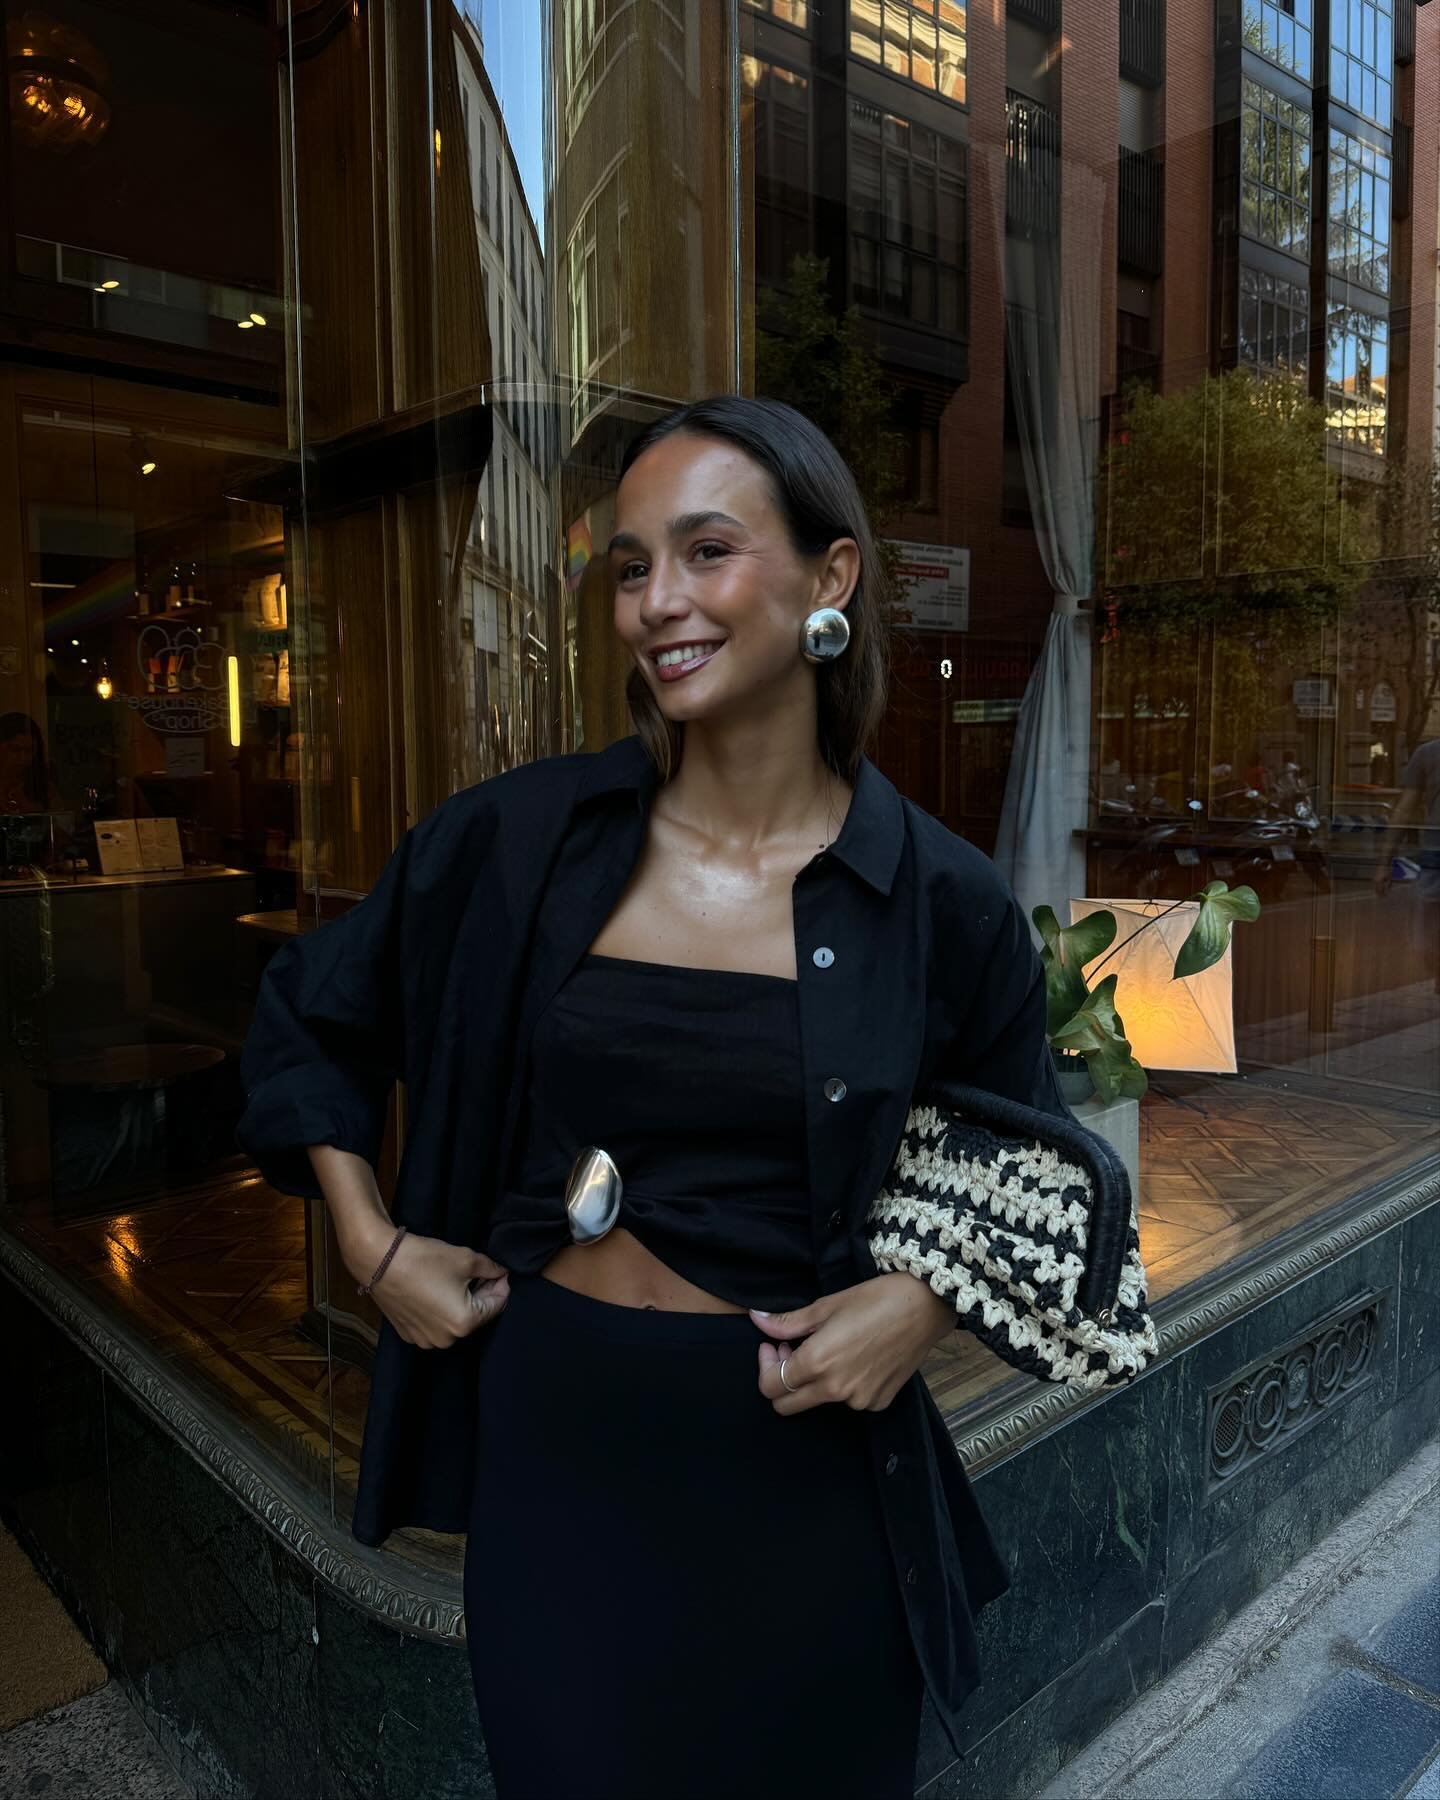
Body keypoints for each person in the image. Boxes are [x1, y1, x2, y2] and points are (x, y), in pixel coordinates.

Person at [235, 396, 1069, 1799]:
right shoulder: (515, 842)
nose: (656, 603)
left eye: (705, 552)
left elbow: (1037, 1165)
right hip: (558, 1447)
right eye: (631, 567)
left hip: (800, 1474)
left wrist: (921, 1306)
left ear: (831, 578)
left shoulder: (939, 898)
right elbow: (306, 1013)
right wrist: (371, 1247)